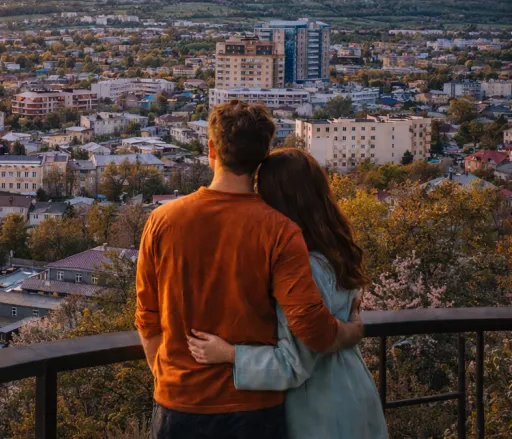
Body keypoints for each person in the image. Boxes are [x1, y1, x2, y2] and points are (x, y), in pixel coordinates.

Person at [136, 100, 364, 439]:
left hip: (179, 404)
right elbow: (312, 329)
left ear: (211, 149)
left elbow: (147, 318)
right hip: (254, 410)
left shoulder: (163, 221)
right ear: (263, 155)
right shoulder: (279, 231)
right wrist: (354, 330)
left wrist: (168, 377)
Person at [187, 148, 388, 438]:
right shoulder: (333, 252)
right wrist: (351, 330)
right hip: (351, 392)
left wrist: (229, 354)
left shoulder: (303, 266)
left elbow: (295, 363)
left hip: (320, 408)